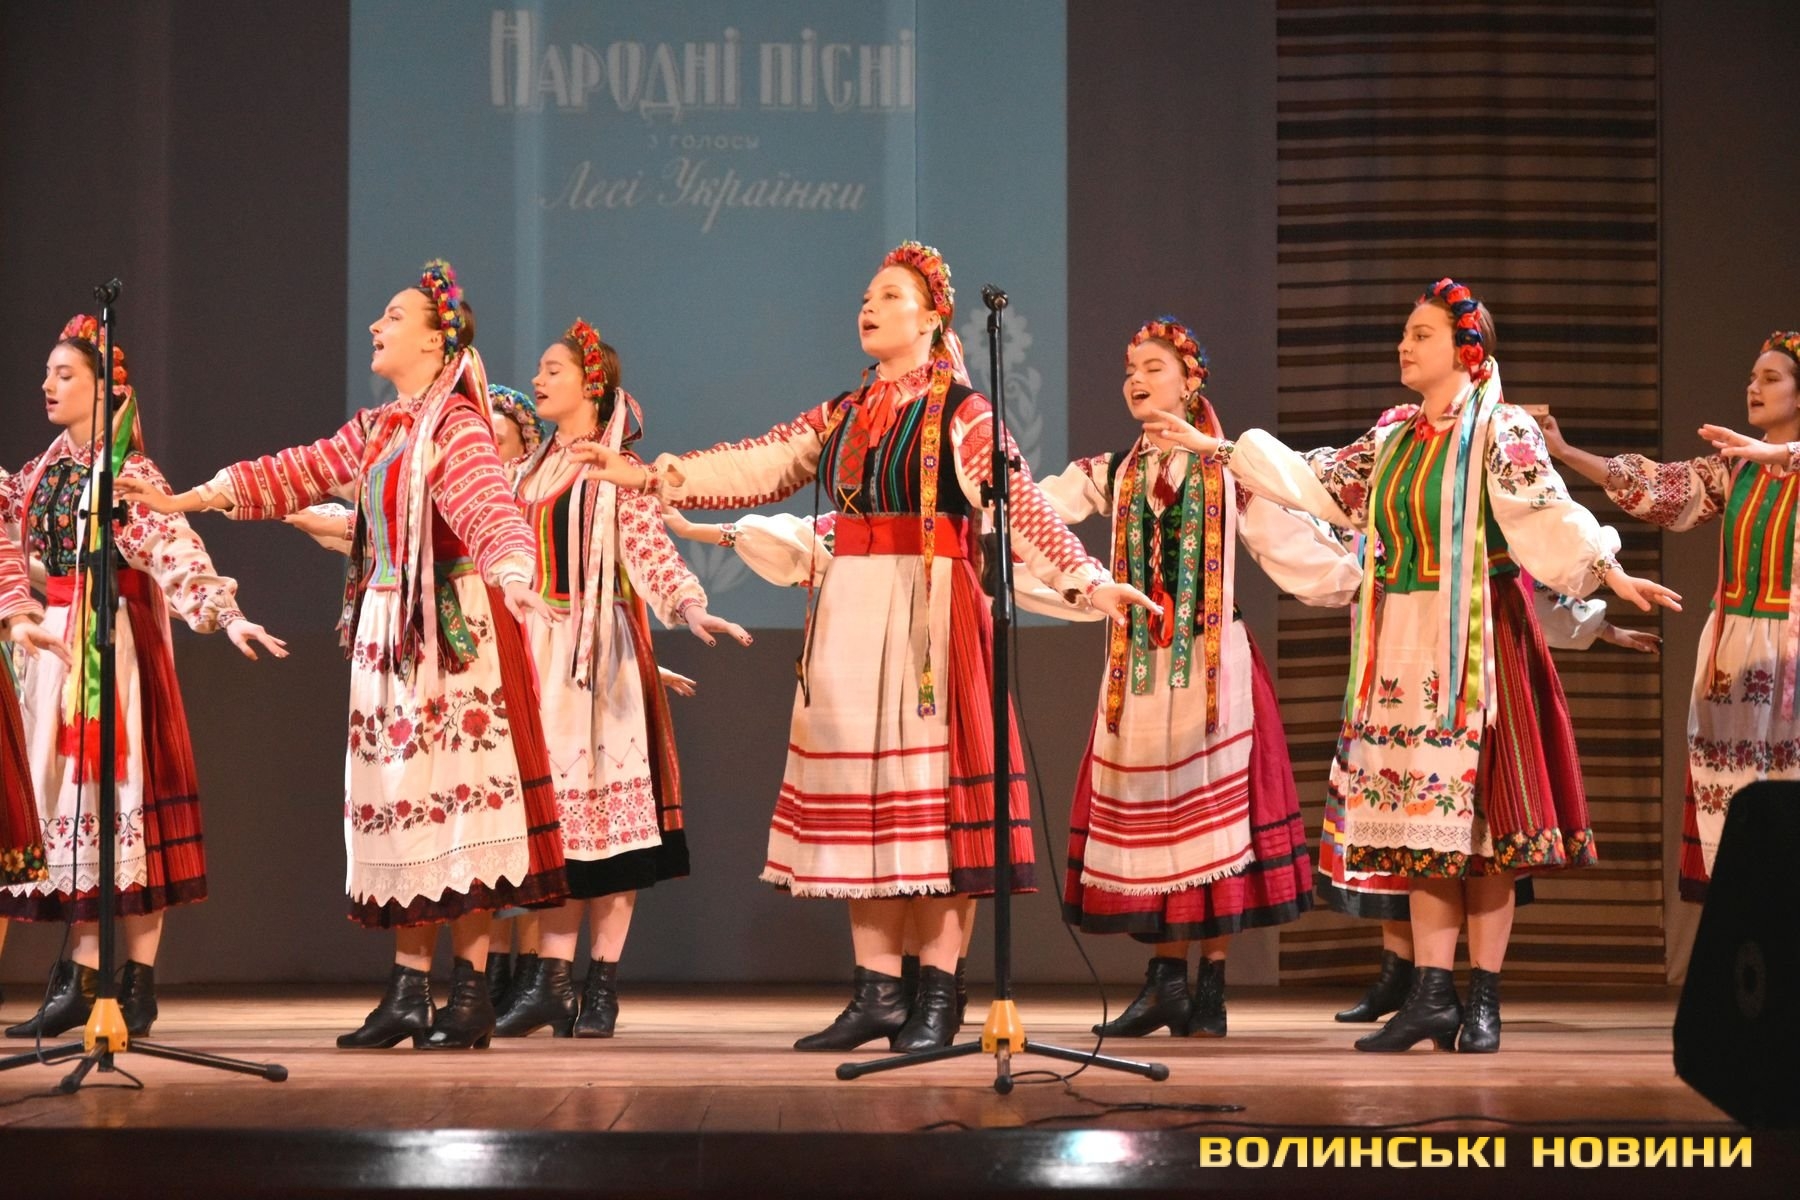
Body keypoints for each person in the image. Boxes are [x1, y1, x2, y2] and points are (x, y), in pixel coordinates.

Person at [575, 241, 1156, 1052]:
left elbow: (1020, 504)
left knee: (932, 805)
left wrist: (1089, 581)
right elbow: (763, 461)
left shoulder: (964, 412)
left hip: (928, 615)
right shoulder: (844, 412)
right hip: (850, 611)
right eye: (865, 297)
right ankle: (879, 992)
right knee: (864, 804)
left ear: (933, 317)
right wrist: (650, 476)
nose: (869, 307)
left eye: (888, 296)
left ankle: (939, 994)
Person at [1154, 279, 1679, 1052]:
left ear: (1468, 350)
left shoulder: (1501, 430)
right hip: (1400, 643)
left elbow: (1544, 513)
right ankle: (1433, 994)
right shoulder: (1395, 435)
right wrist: (1224, 451)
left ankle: (1483, 999)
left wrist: (1607, 569)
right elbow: (1322, 479)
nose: (1404, 345)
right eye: (1405, 333)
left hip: (1478, 646)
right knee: (1421, 830)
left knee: (1487, 837)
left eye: (1421, 334)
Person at [118, 260, 567, 1051]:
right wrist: (188, 499)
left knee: (461, 811)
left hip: (450, 637)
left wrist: (514, 574)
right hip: (388, 631)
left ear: (434, 340)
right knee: (399, 808)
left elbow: (487, 507)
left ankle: (468, 995)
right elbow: (299, 468)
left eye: (392, 316)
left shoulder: (457, 425)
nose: (374, 326)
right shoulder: (382, 427)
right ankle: (406, 993)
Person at [1037, 318, 1360, 1038]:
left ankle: (1207, 986)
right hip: (1140, 672)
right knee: (1157, 822)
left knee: (1216, 826)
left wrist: (1366, 586)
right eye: (1130, 369)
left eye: (1152, 366)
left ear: (1191, 381)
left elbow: (1293, 548)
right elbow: (1035, 512)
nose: (1136, 379)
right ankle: (1165, 984)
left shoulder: (1229, 471)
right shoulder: (1114, 472)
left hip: (1213, 666)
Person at [2, 314, 285, 1040]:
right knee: (74, 809)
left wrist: (227, 615)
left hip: (117, 650)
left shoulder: (129, 475)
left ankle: (136, 982)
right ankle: (85, 977)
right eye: (46, 374)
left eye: (65, 374)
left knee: (123, 799)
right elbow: (17, 537)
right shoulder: (40, 474)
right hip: (54, 649)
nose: (48, 385)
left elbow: (175, 553)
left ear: (104, 392)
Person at [492, 320, 748, 1039]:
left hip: (598, 658)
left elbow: (649, 549)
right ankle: (551, 982)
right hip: (537, 654)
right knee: (559, 831)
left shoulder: (614, 469)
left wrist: (690, 606)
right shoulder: (527, 470)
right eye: (540, 370)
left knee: (611, 834)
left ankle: (600, 987)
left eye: (553, 369)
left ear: (590, 383)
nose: (538, 380)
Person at [1542, 329, 1800, 903]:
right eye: (1751, 378)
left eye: (1771, 378)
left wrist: (1784, 454)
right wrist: (1566, 453)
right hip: (1733, 651)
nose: (1753, 387)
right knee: (1736, 793)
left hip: (1792, 656)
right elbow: (1657, 487)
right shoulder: (1737, 469)